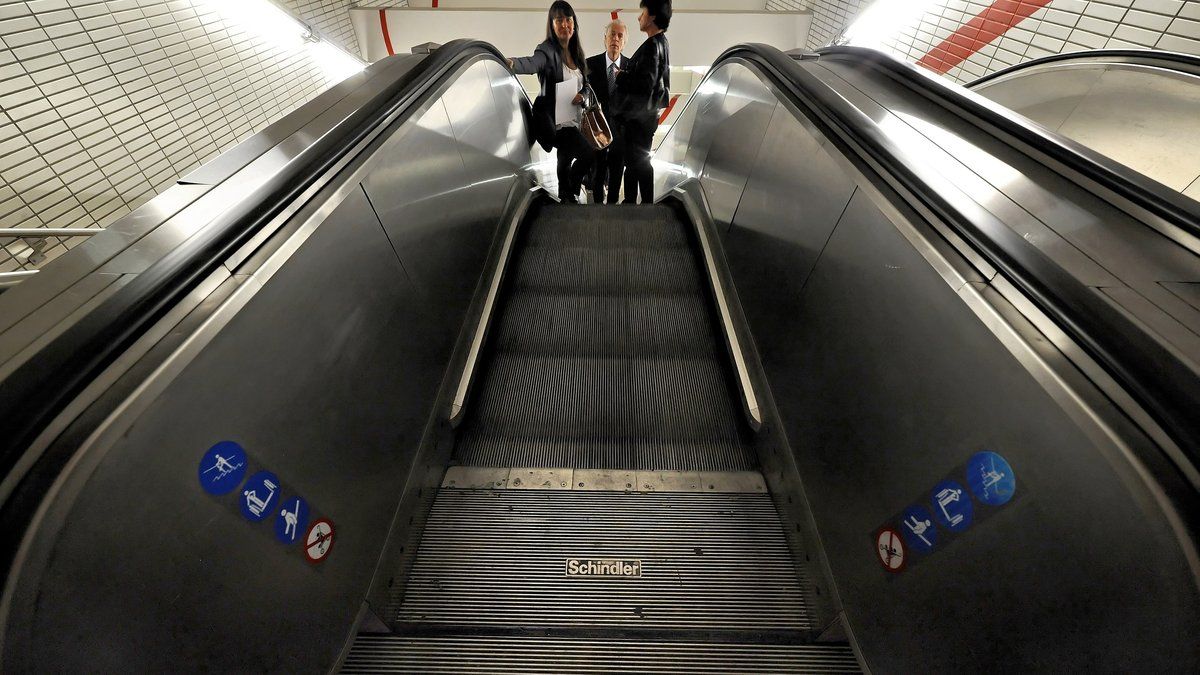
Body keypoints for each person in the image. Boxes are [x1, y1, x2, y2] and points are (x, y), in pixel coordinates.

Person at [508, 1, 595, 203]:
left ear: (574, 23)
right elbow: (532, 63)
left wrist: (582, 95)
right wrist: (512, 63)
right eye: (559, 20)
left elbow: (587, 85)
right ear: (552, 25)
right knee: (588, 154)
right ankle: (572, 188)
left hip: (574, 119)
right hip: (555, 122)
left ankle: (566, 196)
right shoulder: (547, 50)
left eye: (568, 20)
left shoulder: (577, 53)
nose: (565, 25)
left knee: (564, 159)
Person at [613, 0, 670, 204]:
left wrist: (621, 76)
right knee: (635, 162)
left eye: (643, 13)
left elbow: (645, 83)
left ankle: (644, 205)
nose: (639, 17)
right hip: (646, 116)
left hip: (640, 118)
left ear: (652, 16)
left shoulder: (652, 46)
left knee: (640, 163)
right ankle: (633, 202)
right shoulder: (662, 43)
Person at [585, 20, 628, 204]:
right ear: (605, 39)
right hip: (597, 128)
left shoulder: (630, 66)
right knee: (598, 168)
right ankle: (597, 207)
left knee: (617, 170)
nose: (615, 39)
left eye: (620, 36)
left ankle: (612, 208)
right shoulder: (590, 64)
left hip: (620, 129)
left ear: (624, 42)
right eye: (612, 34)